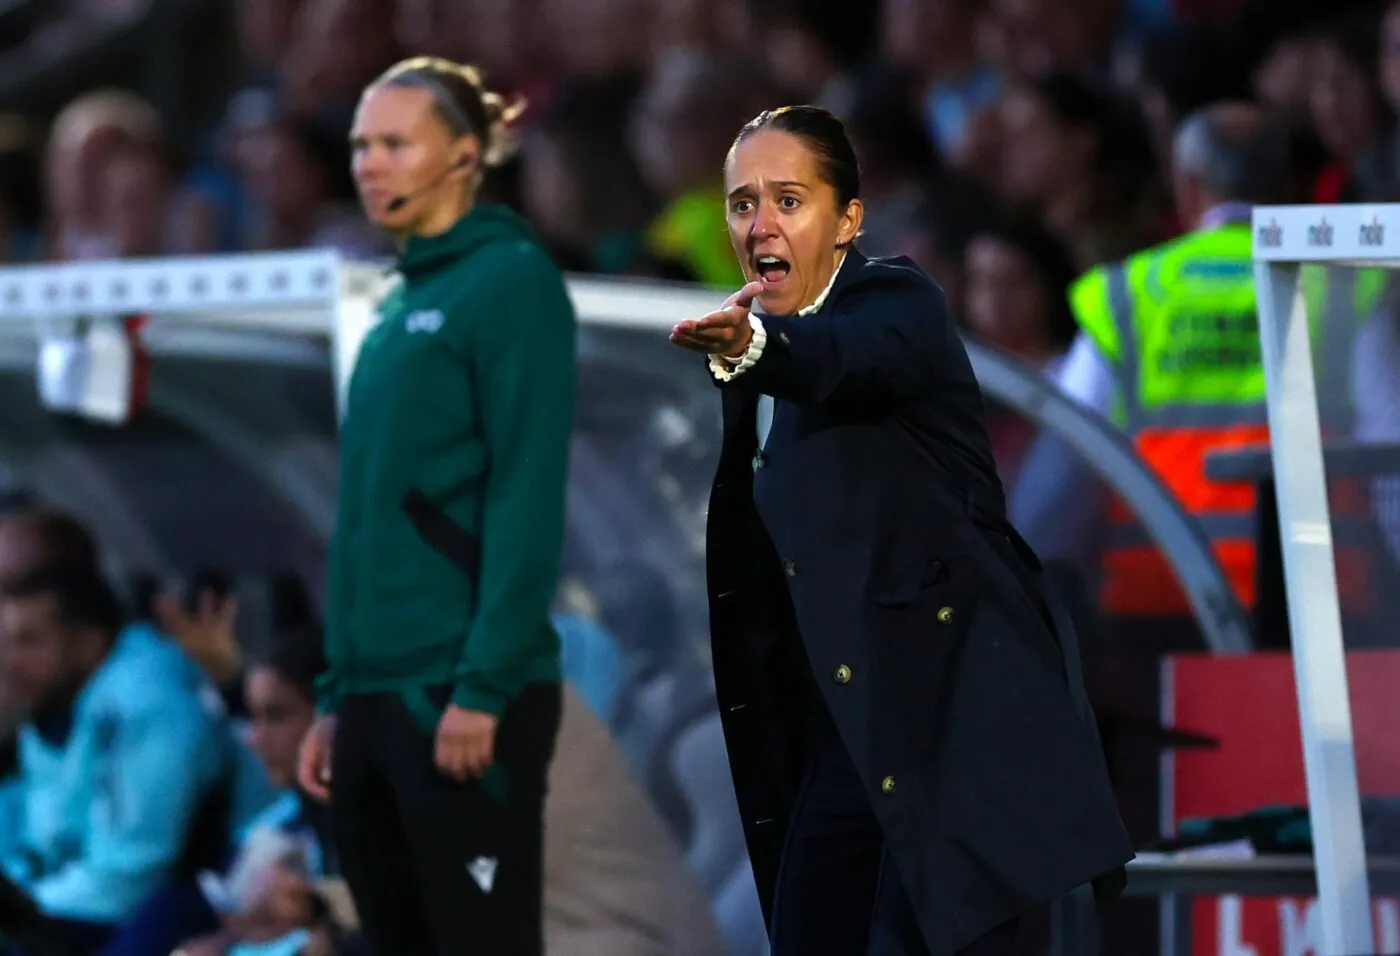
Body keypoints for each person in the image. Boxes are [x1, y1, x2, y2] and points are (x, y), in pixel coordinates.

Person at [669, 104, 1133, 956]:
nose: (759, 224)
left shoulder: (894, 302)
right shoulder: (761, 354)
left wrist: (756, 351)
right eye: (742, 204)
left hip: (940, 729)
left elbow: (844, 363)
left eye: (789, 199)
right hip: (836, 736)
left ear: (848, 219)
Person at [294, 56, 576, 956]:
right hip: (375, 696)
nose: (370, 164)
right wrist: (337, 694)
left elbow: (528, 489)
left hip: (457, 693)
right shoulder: (395, 300)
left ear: (465, 153)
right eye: (360, 146)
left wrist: (484, 685)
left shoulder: (511, 281)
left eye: (396, 143)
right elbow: (362, 517)